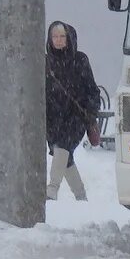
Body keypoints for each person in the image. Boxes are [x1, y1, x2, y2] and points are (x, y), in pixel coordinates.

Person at [45, 21, 100, 201]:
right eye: (55, 36)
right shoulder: (45, 61)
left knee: (63, 147)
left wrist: (91, 111)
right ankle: (81, 196)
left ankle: (52, 189)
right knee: (65, 158)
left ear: (70, 38)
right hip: (52, 119)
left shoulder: (80, 60)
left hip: (76, 117)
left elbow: (92, 89)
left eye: (62, 36)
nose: (59, 40)